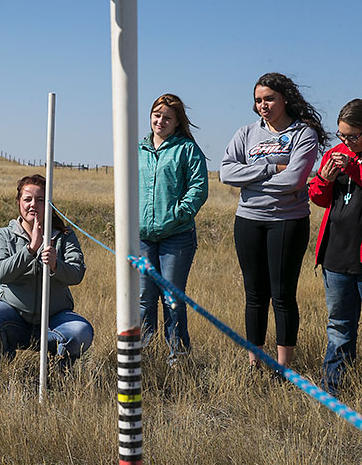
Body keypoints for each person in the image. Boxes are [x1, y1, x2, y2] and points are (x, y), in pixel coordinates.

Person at [220, 72, 328, 375]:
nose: (262, 105)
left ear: (284, 99)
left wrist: (251, 178)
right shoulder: (245, 134)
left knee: (282, 294)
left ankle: (283, 367)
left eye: (269, 99)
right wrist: (269, 167)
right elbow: (226, 173)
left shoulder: (302, 134)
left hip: (287, 222)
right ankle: (254, 361)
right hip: (248, 220)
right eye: (258, 100)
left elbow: (294, 179)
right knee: (254, 294)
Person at [0, 174, 93, 368]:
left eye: (40, 200)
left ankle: (59, 373)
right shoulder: (3, 234)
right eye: (27, 199)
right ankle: (2, 366)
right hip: (14, 318)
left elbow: (77, 273)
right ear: (19, 202)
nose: (33, 205)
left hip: (55, 320)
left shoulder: (64, 236)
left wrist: (55, 264)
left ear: (49, 204)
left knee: (81, 331)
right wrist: (30, 250)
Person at [139, 93, 208, 362]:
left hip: (177, 236)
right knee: (144, 297)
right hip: (143, 237)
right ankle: (143, 353)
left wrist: (179, 213)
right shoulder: (138, 149)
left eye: (167, 117)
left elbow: (198, 188)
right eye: (157, 115)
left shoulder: (186, 149)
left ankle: (177, 356)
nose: (161, 121)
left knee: (172, 297)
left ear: (177, 122)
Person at [308, 99, 362, 396]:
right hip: (336, 256)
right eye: (341, 136)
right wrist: (323, 179)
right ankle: (333, 390)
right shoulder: (336, 154)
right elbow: (317, 197)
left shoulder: (352, 161)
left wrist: (354, 169)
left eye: (352, 136)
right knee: (340, 327)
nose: (345, 142)